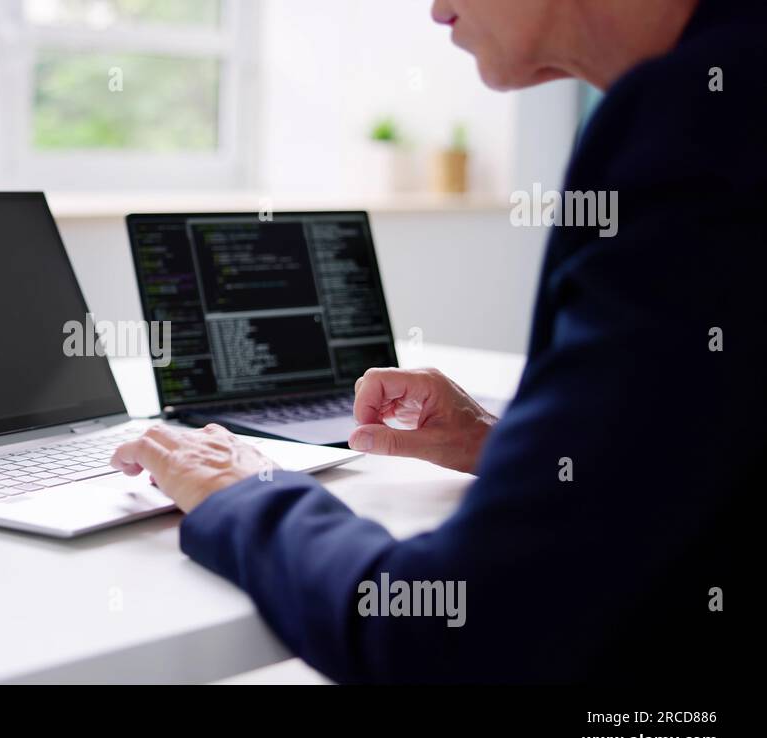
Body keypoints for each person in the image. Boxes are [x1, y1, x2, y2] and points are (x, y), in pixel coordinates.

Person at [109, 0, 761, 683]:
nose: (436, 8)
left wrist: (236, 490)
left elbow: (456, 634)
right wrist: (509, 447)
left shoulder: (702, 125)